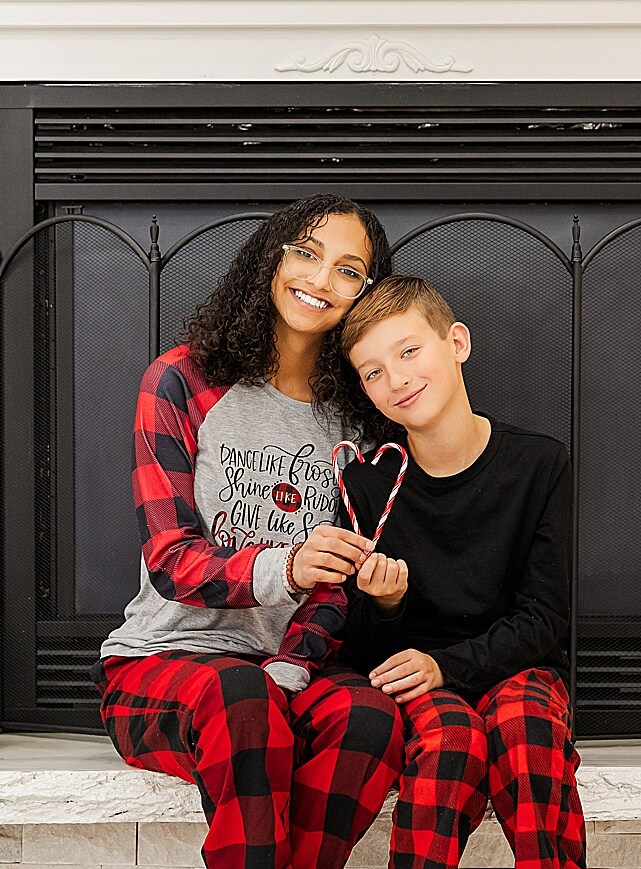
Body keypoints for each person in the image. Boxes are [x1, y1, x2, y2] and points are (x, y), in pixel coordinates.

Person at [94, 194, 404, 869]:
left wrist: (302, 653)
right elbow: (173, 559)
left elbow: (336, 579)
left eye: (349, 271)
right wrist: (287, 564)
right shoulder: (180, 381)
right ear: (272, 257)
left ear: (364, 296)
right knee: (242, 696)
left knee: (372, 718)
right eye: (307, 252)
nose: (321, 280)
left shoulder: (355, 423)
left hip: (287, 670)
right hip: (164, 662)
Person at [334, 275, 583, 869]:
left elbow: (544, 618)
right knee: (451, 745)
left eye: (409, 352)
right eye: (372, 372)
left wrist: (448, 664)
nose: (396, 379)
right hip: (417, 683)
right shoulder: (368, 484)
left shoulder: (539, 464)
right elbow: (361, 649)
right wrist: (386, 606)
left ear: (458, 343)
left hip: (517, 668)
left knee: (528, 734)